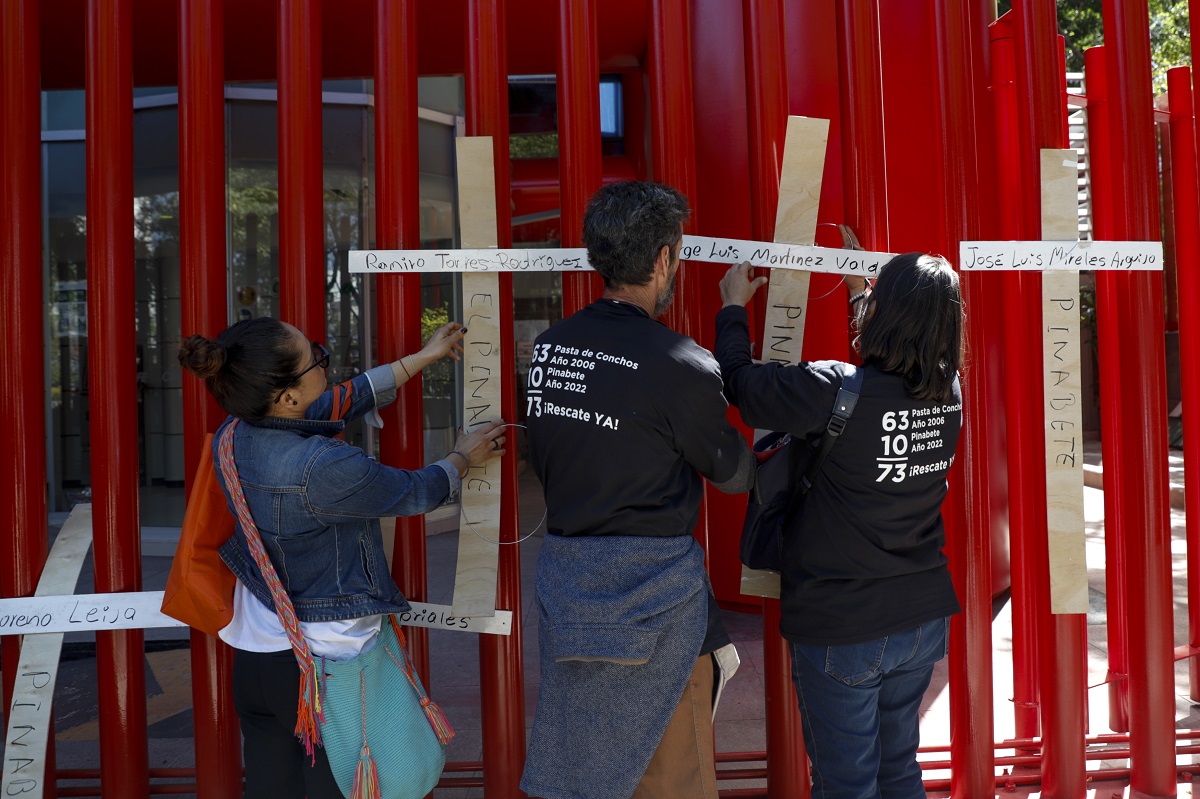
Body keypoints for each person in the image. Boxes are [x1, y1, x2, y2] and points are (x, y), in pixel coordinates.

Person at [178, 317, 506, 799]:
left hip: (256, 656)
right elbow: (412, 492)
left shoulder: (237, 432)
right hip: (320, 668)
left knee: (272, 787)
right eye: (316, 356)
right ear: (288, 396)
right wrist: (462, 457)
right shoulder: (322, 467)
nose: (325, 361)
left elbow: (345, 397)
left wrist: (421, 358)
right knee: (334, 788)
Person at [519, 181, 755, 799]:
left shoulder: (548, 351)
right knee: (669, 775)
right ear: (663, 260)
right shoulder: (681, 362)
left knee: (582, 774)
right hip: (659, 605)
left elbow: (546, 456)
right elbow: (733, 476)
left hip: (570, 596)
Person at [714, 254, 964, 799]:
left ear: (884, 311)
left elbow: (738, 383)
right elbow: (890, 378)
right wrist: (860, 293)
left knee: (845, 784)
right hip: (921, 619)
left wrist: (732, 308)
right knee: (898, 770)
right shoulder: (951, 396)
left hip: (843, 623)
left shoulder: (830, 389)